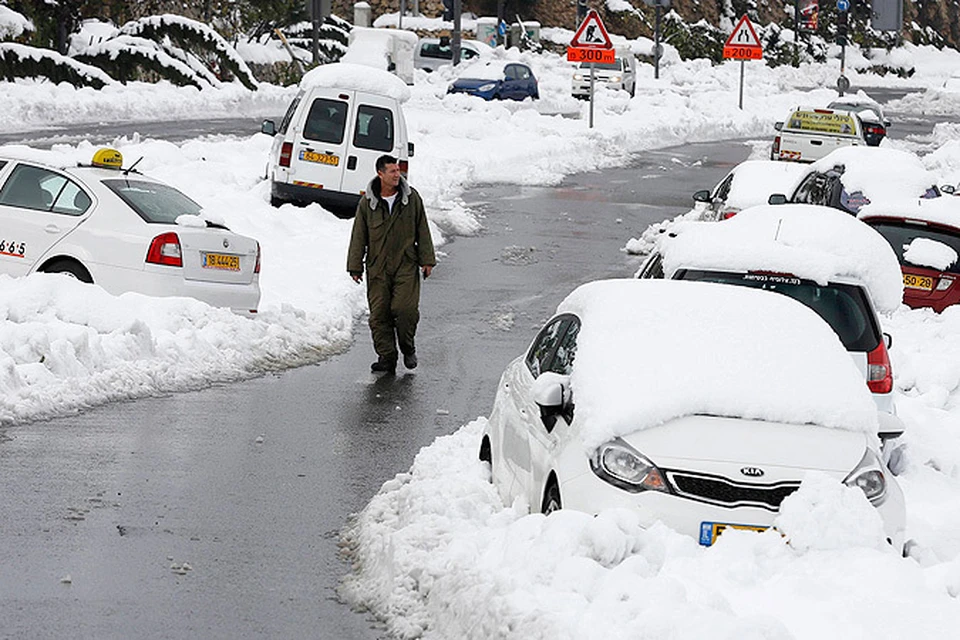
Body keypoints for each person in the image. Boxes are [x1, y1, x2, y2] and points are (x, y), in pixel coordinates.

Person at [347, 154, 436, 374]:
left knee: (404, 310)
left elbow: (422, 228)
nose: (398, 175)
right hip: (378, 268)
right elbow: (359, 235)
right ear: (380, 174)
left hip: (405, 264)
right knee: (379, 314)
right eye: (392, 171)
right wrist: (355, 265)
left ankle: (407, 347)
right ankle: (387, 356)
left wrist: (427, 260)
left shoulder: (411, 198)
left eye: (398, 171)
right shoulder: (367, 203)